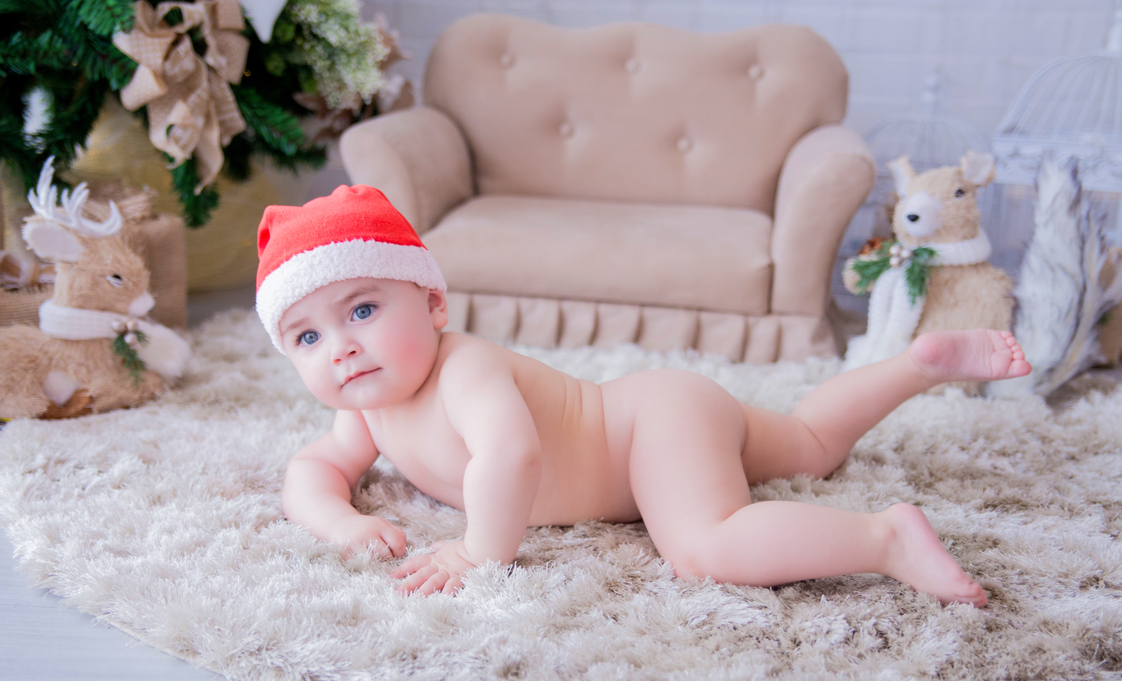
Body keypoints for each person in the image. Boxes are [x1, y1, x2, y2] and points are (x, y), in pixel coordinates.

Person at [257, 186, 1031, 605]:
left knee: (703, 548)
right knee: (812, 443)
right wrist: (341, 522)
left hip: (646, 434)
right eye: (308, 337)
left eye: (363, 310)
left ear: (433, 305)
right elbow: (315, 467)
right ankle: (920, 365)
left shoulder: (465, 368)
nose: (343, 346)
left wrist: (476, 551)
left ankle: (884, 540)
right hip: (666, 409)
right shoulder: (362, 405)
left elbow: (511, 454)